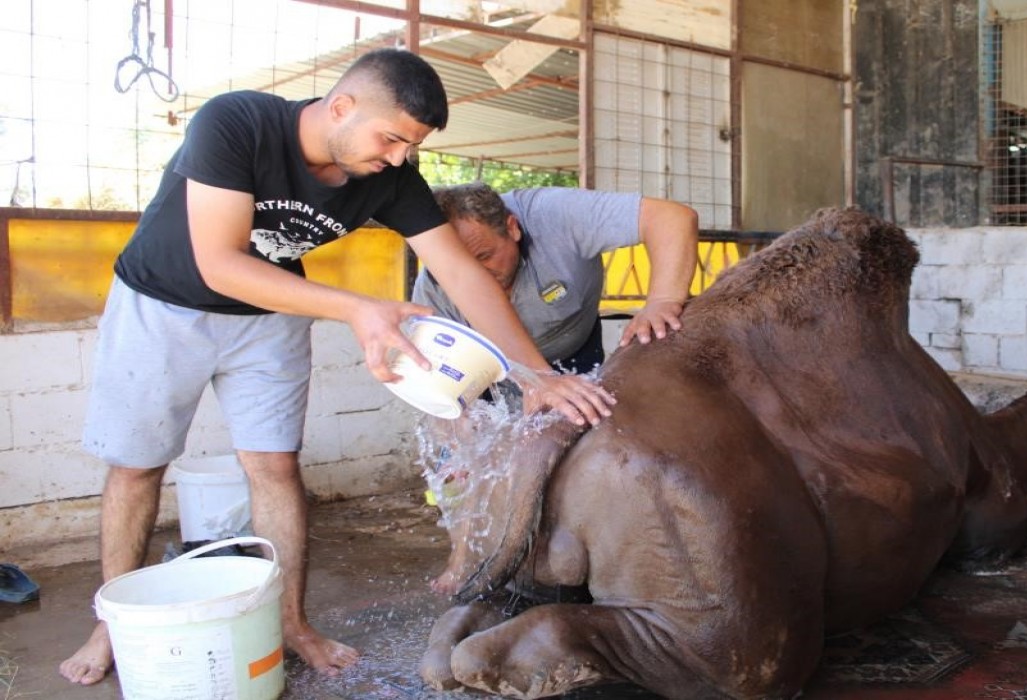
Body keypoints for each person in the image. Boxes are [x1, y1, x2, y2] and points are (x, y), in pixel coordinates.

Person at [59, 48, 613, 686]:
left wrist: (533, 374)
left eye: (412, 144)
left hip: (267, 315)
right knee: (136, 467)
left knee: (272, 465)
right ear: (342, 107)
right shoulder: (236, 123)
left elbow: (460, 272)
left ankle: (291, 623)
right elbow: (219, 260)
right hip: (162, 302)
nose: (400, 156)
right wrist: (357, 308)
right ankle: (112, 622)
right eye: (392, 138)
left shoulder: (390, 175)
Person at [411, 183, 699, 375]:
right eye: (456, 267)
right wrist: (459, 442)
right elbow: (433, 377)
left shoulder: (554, 214)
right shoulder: (432, 291)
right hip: (486, 373)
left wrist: (663, 300)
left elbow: (671, 218)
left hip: (575, 351)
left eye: (484, 257)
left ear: (512, 228)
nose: (473, 278)